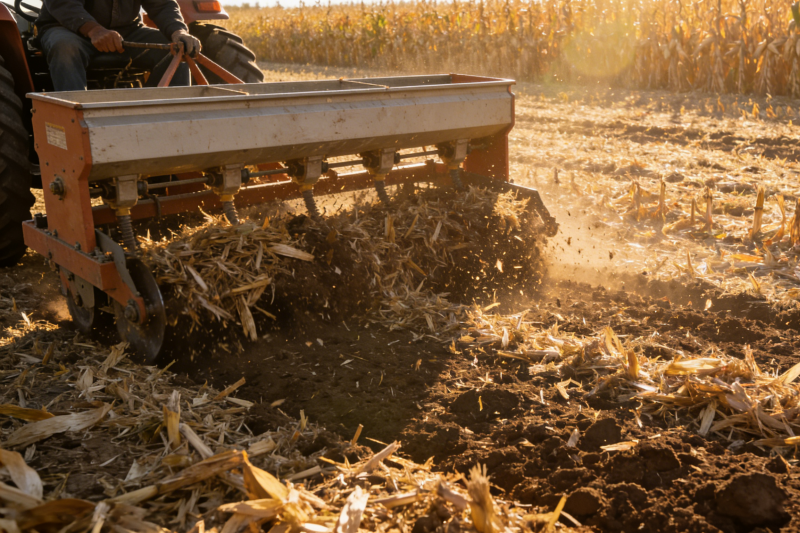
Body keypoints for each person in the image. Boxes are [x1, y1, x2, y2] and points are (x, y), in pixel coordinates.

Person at [35, 0, 202, 91]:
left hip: (127, 31)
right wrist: (94, 30)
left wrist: (178, 31)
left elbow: (163, 5)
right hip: (68, 29)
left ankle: (161, 116)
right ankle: (74, 119)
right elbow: (64, 4)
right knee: (65, 48)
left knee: (176, 49)